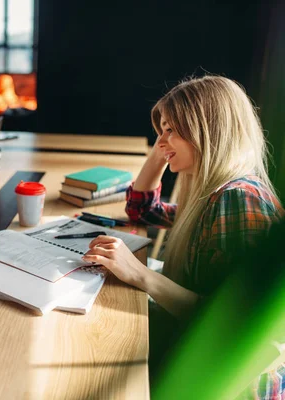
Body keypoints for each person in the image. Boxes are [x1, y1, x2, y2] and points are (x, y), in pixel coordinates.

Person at [81, 76, 283, 396]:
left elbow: (234, 327)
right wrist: (166, 146)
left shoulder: (240, 199)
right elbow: (142, 210)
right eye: (162, 130)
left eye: (172, 129)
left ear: (208, 131)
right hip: (198, 358)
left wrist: (140, 274)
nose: (162, 139)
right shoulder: (211, 194)